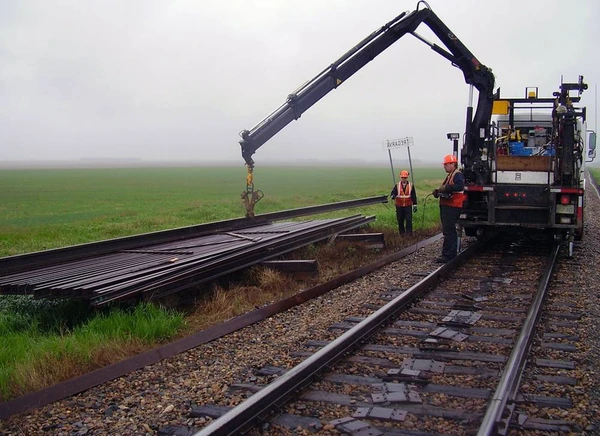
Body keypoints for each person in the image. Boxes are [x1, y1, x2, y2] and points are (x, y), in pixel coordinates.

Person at [432, 154, 465, 263]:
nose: (444, 166)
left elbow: (459, 186)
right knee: (448, 230)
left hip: (452, 206)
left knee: (449, 230)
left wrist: (446, 188)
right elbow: (448, 189)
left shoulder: (457, 175)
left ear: (453, 164)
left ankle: (449, 254)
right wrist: (439, 192)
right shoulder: (451, 175)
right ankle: (448, 254)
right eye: (444, 164)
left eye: (446, 164)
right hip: (448, 206)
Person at [390, 170, 418, 235]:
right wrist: (393, 195)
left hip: (408, 206)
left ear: (407, 178)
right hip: (399, 206)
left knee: (409, 220)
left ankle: (409, 234)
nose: (403, 179)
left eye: (405, 178)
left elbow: (413, 195)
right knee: (400, 220)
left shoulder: (411, 185)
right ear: (400, 177)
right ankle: (402, 234)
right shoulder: (397, 185)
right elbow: (393, 192)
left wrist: (415, 204)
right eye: (402, 177)